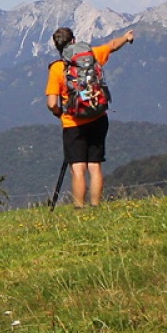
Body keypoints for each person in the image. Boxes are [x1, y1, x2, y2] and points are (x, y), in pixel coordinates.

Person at [45, 27, 136, 207]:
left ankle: (79, 208)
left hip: (73, 122)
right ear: (74, 40)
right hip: (98, 116)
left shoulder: (57, 68)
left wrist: (59, 113)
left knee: (78, 168)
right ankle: (96, 206)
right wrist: (126, 37)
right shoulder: (92, 55)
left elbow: (52, 103)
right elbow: (112, 46)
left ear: (57, 46)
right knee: (95, 165)